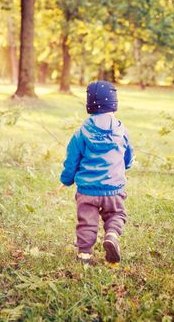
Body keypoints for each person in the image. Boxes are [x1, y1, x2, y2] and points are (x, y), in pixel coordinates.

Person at [59, 81, 134, 264]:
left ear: (89, 104)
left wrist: (67, 179)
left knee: (87, 222)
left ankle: (84, 254)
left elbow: (72, 161)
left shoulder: (81, 133)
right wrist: (126, 165)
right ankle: (112, 235)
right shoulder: (122, 130)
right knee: (116, 214)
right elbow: (128, 156)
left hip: (87, 191)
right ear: (114, 104)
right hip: (114, 189)